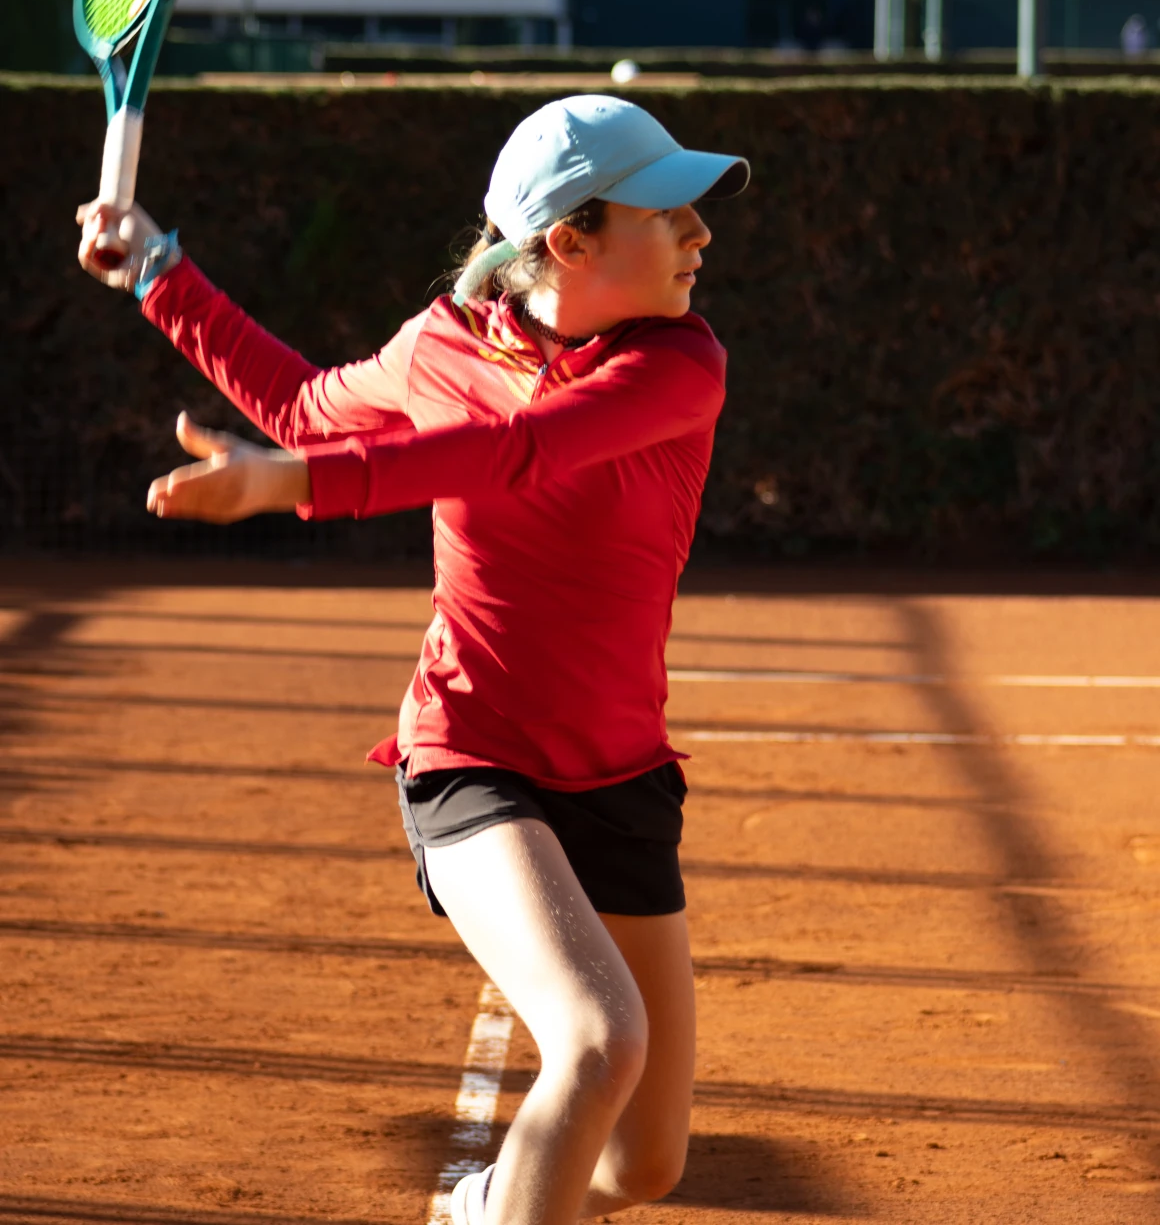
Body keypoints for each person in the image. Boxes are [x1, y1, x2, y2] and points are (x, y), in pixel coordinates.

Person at [77, 95, 750, 1225]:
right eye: (667, 210)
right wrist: (154, 270)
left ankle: (485, 1204)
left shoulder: (681, 363)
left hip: (619, 775)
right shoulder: (441, 345)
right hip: (470, 756)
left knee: (643, 1169)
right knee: (596, 1040)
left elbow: (519, 451)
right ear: (567, 242)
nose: (701, 233)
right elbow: (302, 404)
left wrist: (288, 483)